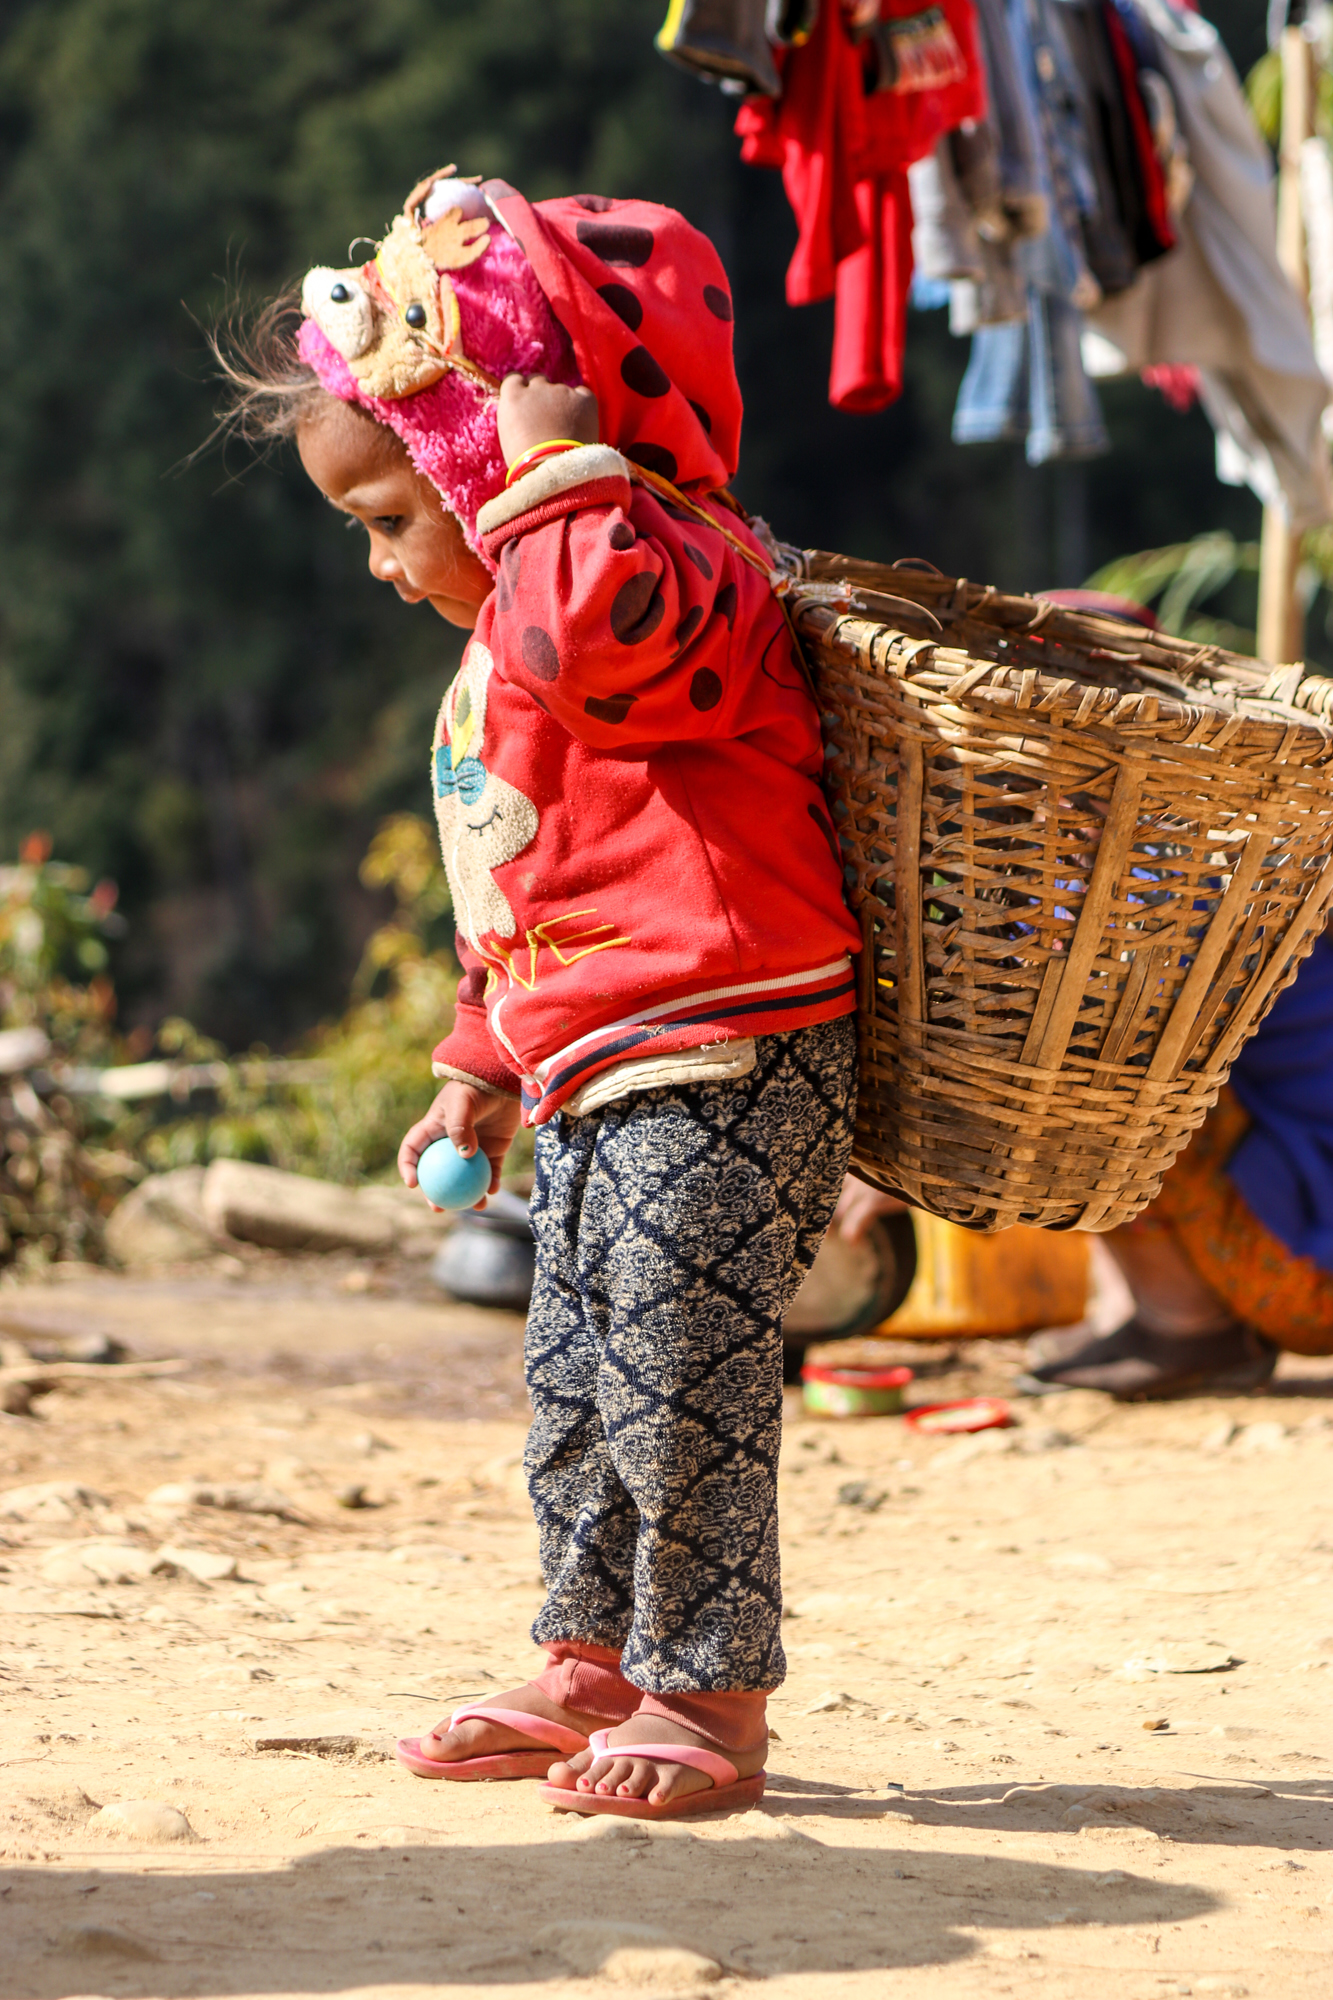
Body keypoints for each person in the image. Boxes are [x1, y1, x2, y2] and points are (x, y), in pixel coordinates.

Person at [220, 169, 860, 1816]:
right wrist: (477, 1057)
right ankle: (591, 1661)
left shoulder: (671, 570)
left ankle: (709, 1695)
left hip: (728, 1048)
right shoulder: (506, 634)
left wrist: (557, 470)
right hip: (593, 1065)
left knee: (678, 1381)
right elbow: (502, 881)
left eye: (389, 517)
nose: (378, 565)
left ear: (478, 461)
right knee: (577, 1388)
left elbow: (601, 650)